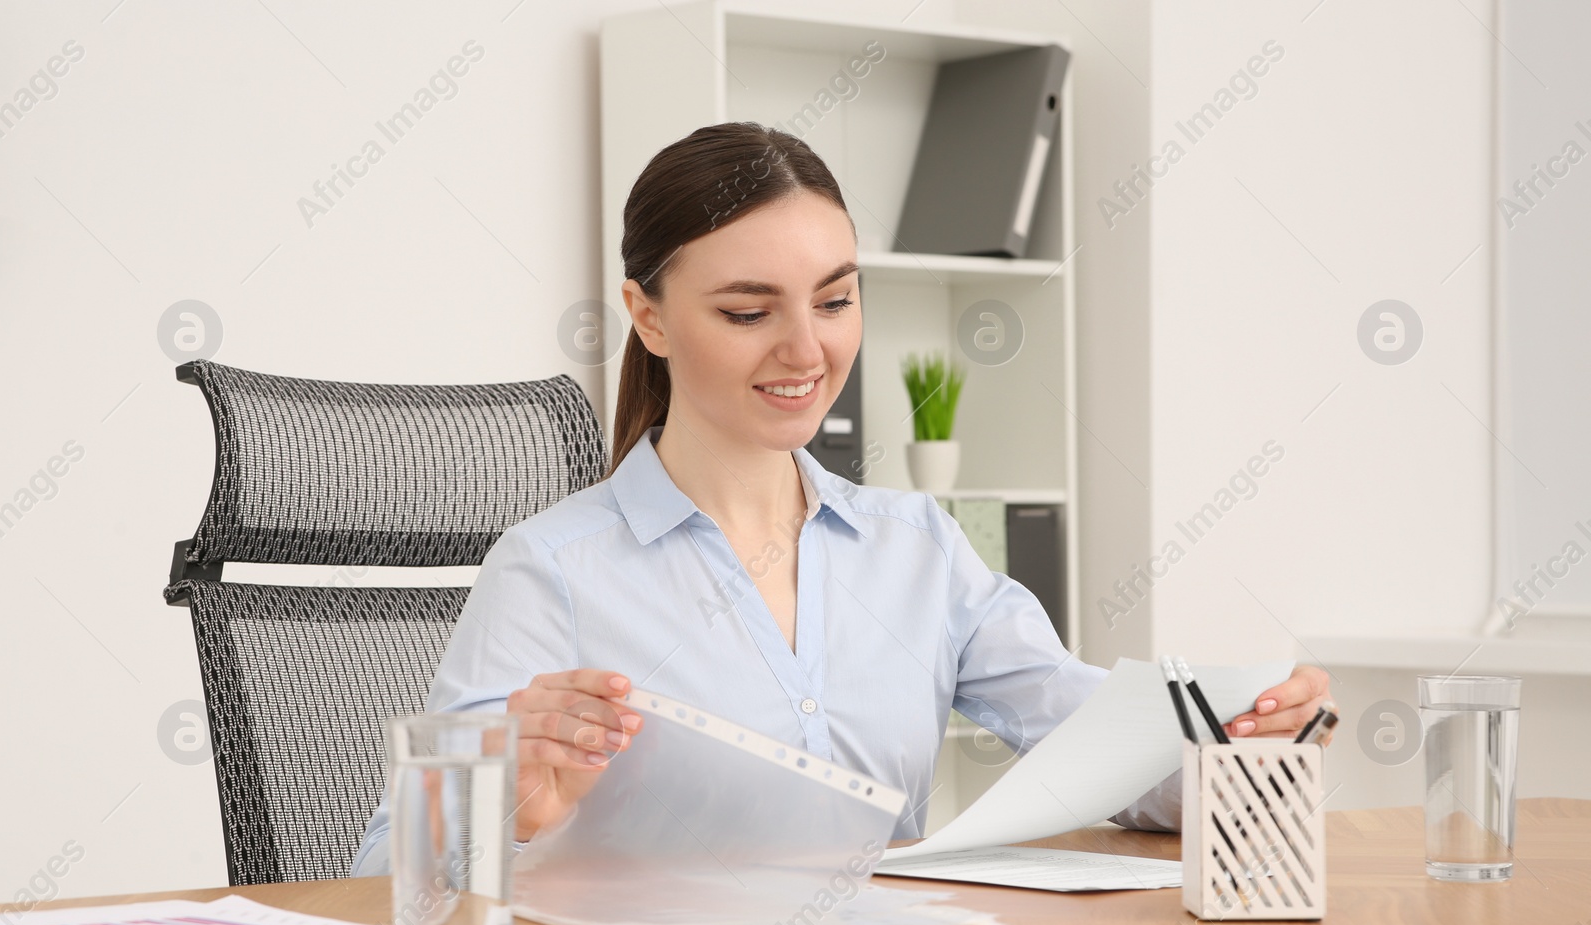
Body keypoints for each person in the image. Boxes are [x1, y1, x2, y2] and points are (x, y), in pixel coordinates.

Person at [350, 122, 1330, 876]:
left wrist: (1242, 740)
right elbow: (375, 876)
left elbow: (1106, 750)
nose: (807, 351)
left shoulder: (916, 549)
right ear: (645, 314)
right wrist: (499, 802)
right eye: (747, 310)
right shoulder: (553, 568)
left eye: (834, 299)